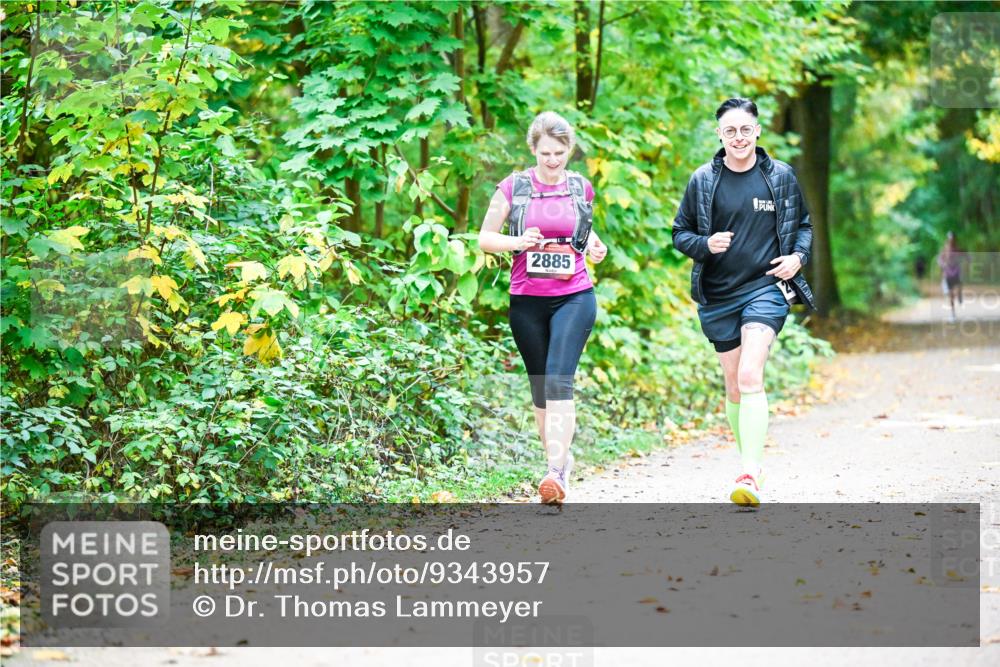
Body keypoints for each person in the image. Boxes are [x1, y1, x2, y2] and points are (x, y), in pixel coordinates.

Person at [672, 97, 815, 507]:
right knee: (735, 387)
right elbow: (680, 233)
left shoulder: (781, 177)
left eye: (745, 129)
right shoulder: (703, 180)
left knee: (751, 375)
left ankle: (749, 473)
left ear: (757, 132)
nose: (739, 137)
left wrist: (797, 258)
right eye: (730, 130)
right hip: (718, 295)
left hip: (766, 288)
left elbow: (803, 226)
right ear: (719, 134)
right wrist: (706, 244)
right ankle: (747, 461)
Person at [478, 111, 607, 505]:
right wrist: (518, 243)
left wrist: (597, 247)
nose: (553, 160)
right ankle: (560, 463)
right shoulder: (513, 187)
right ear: (533, 150)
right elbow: (485, 238)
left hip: (575, 296)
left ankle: (553, 472)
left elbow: (582, 233)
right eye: (546, 152)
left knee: (558, 381)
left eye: (560, 152)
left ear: (570, 150)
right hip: (527, 300)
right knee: (540, 391)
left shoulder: (580, 187)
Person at [938, 231, 963, 322]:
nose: (951, 240)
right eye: (950, 238)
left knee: (959, 287)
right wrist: (943, 264)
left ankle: (960, 295)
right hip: (948, 274)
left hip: (956, 273)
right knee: (951, 295)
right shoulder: (944, 249)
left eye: (952, 238)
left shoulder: (958, 249)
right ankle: (953, 314)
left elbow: (965, 257)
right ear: (948, 239)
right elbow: (939, 260)